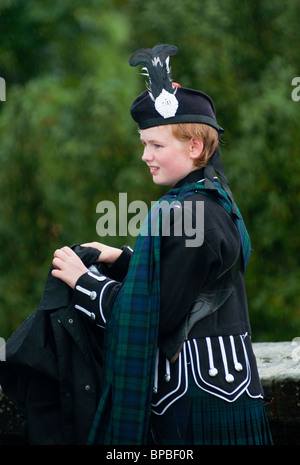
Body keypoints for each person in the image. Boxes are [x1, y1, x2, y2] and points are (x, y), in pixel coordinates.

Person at [51, 44, 273, 445]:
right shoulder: (209, 200)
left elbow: (157, 315)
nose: (145, 156)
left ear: (194, 147)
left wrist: (85, 282)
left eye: (155, 145)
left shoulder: (195, 214)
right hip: (217, 385)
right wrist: (120, 259)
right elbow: (185, 280)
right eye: (143, 143)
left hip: (197, 402)